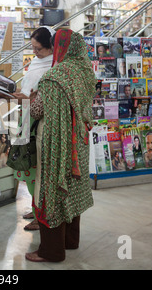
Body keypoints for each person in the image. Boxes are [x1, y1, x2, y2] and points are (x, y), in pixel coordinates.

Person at [26, 29, 97, 262]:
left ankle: (52, 251)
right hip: (79, 142)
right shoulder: (86, 71)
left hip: (57, 142)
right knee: (72, 188)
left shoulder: (55, 75)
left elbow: (38, 111)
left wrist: (34, 97)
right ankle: (70, 241)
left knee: (53, 189)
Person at [12, 26, 55, 231]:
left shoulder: (55, 66)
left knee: (38, 167)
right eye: (33, 48)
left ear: (50, 47)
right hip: (27, 118)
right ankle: (35, 206)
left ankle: (41, 214)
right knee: (27, 164)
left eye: (39, 49)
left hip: (40, 123)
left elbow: (47, 99)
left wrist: (28, 97)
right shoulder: (37, 62)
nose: (35, 53)